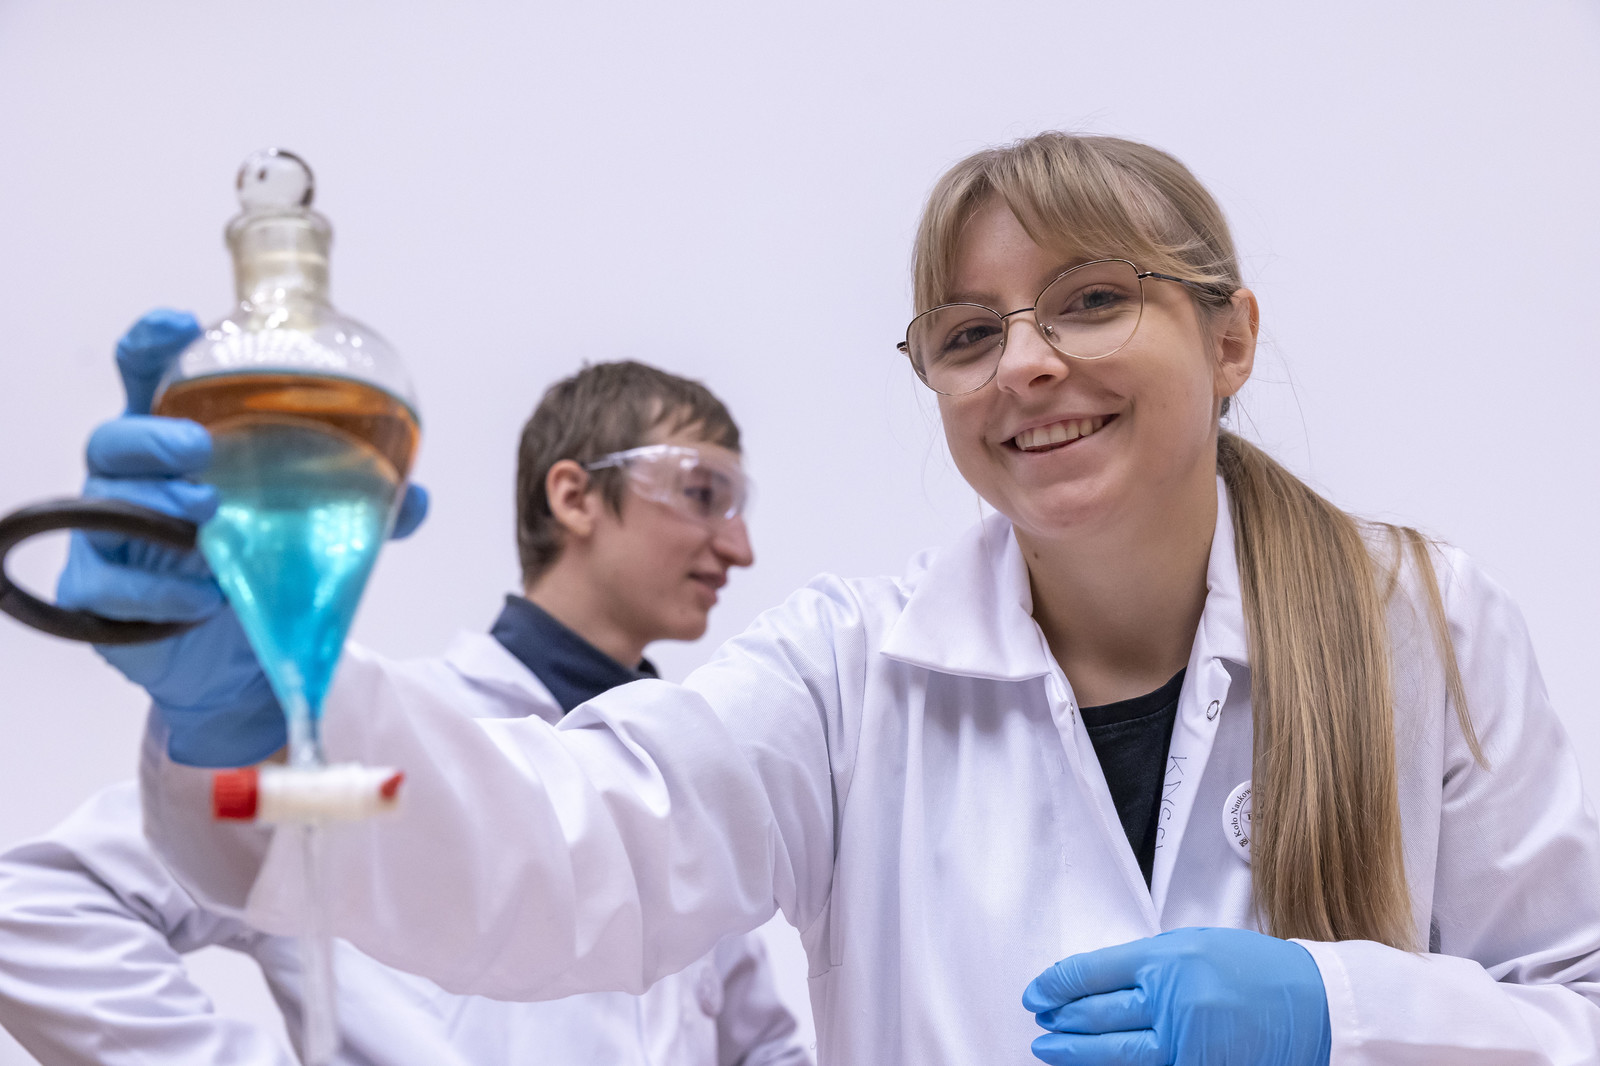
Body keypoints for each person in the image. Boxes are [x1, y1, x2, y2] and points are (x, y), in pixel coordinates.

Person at [62, 134, 1600, 1064]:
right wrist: (256, 714)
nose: (1027, 363)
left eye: (1091, 299)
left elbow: (1577, 1006)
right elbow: (558, 847)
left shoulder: (1423, 627)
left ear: (1231, 337)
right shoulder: (851, 676)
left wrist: (1344, 1017)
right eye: (968, 332)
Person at [3, 322, 809, 1066]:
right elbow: (41, 908)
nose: (739, 546)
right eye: (703, 493)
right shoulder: (368, 765)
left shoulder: (690, 792)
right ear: (574, 497)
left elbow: (760, 1052)